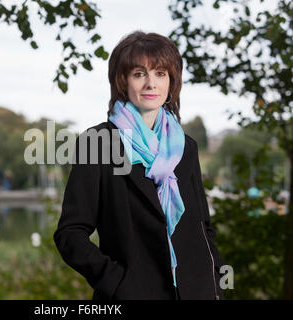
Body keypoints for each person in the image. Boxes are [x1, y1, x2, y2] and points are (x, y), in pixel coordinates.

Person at [53, 31, 225, 300]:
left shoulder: (186, 147)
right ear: (122, 81)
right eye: (138, 74)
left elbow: (203, 226)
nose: (150, 84)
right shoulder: (97, 143)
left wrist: (216, 286)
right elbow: (70, 234)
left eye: (160, 73)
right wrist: (118, 283)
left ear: (172, 81)